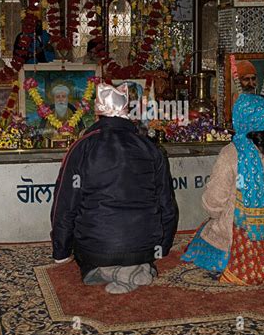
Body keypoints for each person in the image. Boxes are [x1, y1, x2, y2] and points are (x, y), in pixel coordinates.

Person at [51, 82, 178, 294]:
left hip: (97, 248)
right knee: (130, 246)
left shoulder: (82, 147)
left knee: (88, 260)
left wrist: (61, 251)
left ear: (98, 113)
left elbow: (64, 204)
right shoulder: (150, 147)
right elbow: (167, 203)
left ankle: (111, 271)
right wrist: (162, 247)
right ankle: (136, 267)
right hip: (146, 247)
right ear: (126, 110)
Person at [182, 92, 264, 284]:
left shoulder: (232, 153)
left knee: (201, 239)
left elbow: (213, 203)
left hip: (238, 241)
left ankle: (250, 259)